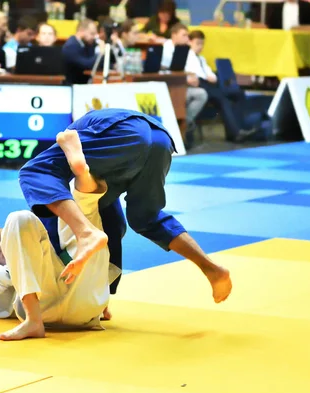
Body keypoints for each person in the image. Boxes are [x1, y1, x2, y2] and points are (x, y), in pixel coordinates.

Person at [18, 108, 233, 304]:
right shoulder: (98, 150)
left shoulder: (81, 131)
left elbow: (49, 222)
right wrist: (103, 295)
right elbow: (114, 225)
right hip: (161, 140)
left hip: (125, 133)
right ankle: (211, 269)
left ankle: (84, 232)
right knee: (144, 218)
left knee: (37, 172)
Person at [0, 133, 119, 340]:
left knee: (75, 225)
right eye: (9, 245)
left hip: (85, 301)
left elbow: (99, 264)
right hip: (45, 309)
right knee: (18, 218)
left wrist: (104, 298)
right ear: (1, 257)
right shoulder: (7, 282)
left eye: (13, 239)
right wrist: (8, 272)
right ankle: (33, 321)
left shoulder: (50, 252)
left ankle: (81, 176)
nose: (17, 242)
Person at [61, 19, 103, 84]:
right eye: (92, 33)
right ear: (81, 31)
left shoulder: (85, 44)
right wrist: (101, 53)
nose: (94, 37)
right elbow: (86, 65)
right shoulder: (71, 46)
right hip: (73, 86)